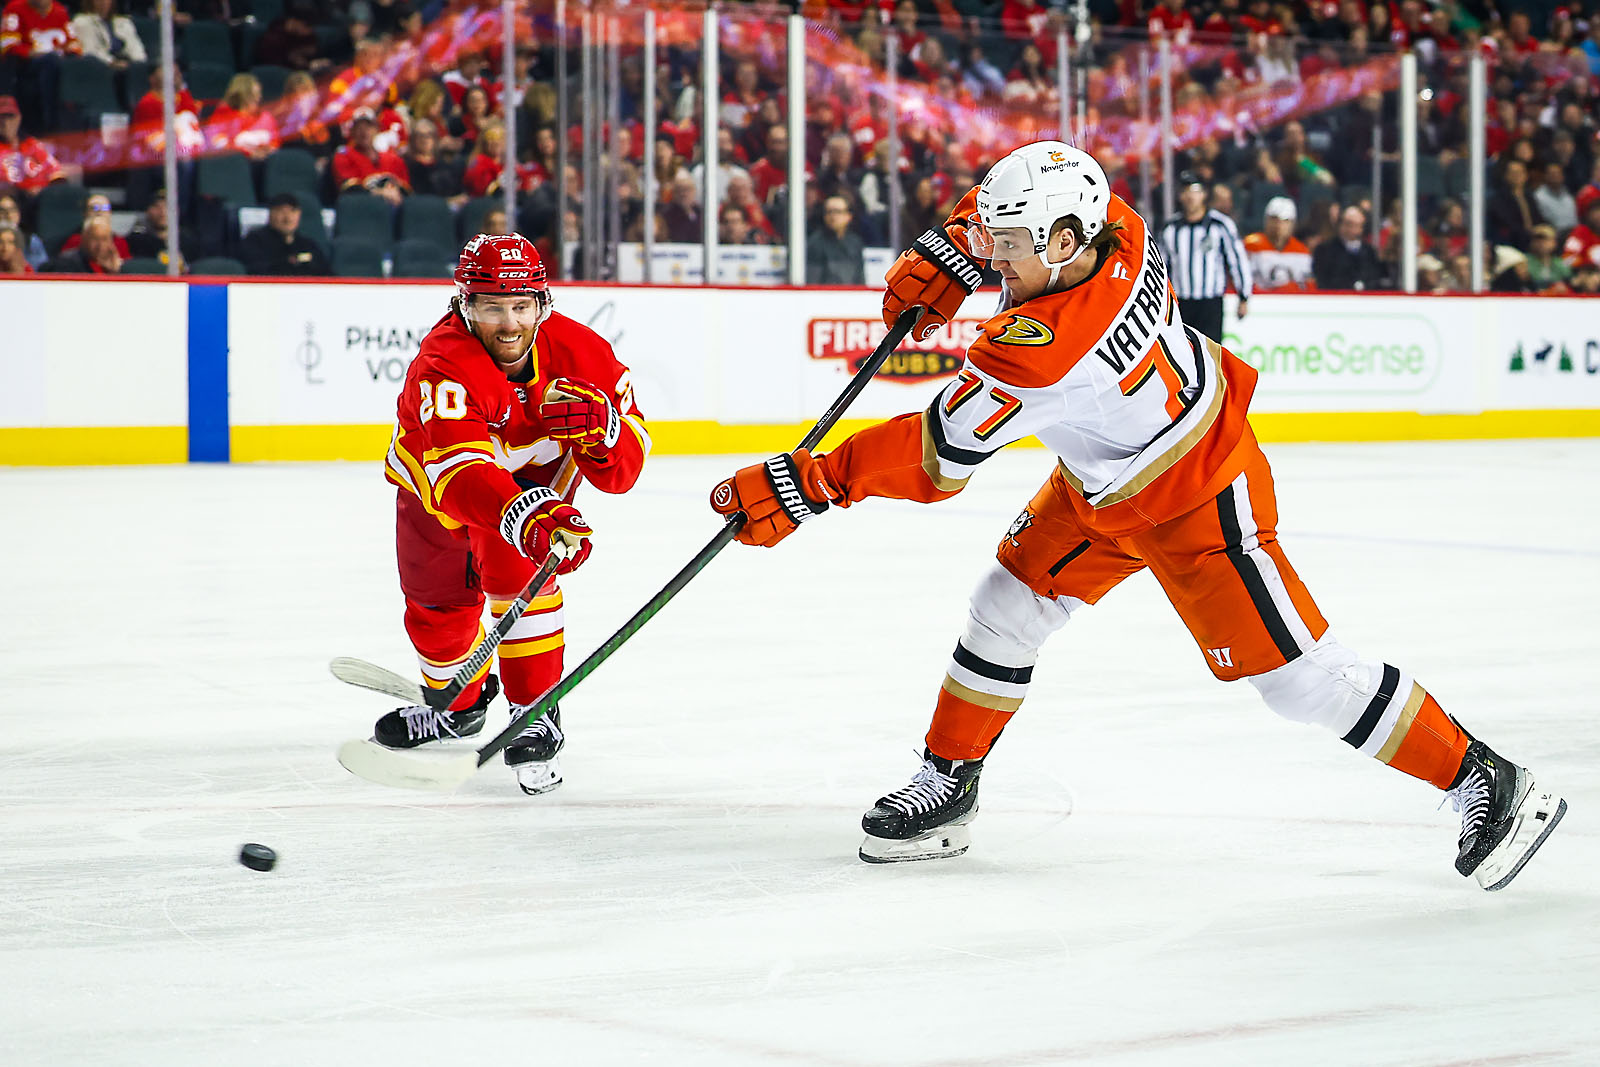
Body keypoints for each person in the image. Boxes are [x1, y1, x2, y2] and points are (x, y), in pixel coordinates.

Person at [708, 140, 1566, 889]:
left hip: (1198, 489)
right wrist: (956, 243)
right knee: (1005, 604)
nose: (996, 262)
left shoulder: (1041, 352)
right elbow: (1033, 187)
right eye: (996, 244)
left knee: (1302, 679)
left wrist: (807, 482)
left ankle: (1485, 778)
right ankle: (949, 783)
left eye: (1009, 249)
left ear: (1064, 244)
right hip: (1104, 480)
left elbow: (937, 460)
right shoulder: (1115, 221)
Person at [373, 233, 649, 795]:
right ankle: (457, 707)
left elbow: (623, 473)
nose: (508, 323)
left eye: (521, 306)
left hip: (529, 496)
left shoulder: (584, 355)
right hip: (438, 497)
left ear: (542, 304)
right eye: (492, 307)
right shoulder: (444, 361)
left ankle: (536, 710)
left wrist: (607, 435)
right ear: (463, 305)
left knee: (521, 588)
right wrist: (527, 514)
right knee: (436, 618)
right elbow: (460, 474)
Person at [1158, 171, 1251, 343]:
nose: (1190, 197)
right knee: (1182, 353)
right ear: (1180, 196)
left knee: (1210, 352)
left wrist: (1243, 295)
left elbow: (1236, 260)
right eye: (1185, 191)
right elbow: (1161, 268)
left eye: (1194, 191)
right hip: (1181, 302)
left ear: (1203, 194)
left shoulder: (1220, 225)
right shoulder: (1171, 229)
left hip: (1210, 302)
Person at [239, 191, 330, 275]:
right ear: (271, 214)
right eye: (281, 211)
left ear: (299, 214)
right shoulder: (255, 241)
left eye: (293, 211)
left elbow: (327, 274)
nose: (287, 218)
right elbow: (256, 271)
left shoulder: (308, 245)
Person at [1243, 195, 1312, 291]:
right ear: (1266, 220)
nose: (1279, 225)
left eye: (1285, 221)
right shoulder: (1250, 245)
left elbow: (1306, 285)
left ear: (1293, 224)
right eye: (1274, 219)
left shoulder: (1302, 251)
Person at [1312, 205, 1385, 290]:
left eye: (1357, 225)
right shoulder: (1324, 250)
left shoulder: (1369, 252)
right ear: (1341, 225)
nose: (1353, 229)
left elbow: (1375, 278)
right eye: (1349, 224)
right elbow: (1322, 280)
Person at [806, 194, 866, 285]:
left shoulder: (855, 243)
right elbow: (813, 281)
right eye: (829, 212)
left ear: (848, 216)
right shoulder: (815, 243)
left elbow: (859, 277)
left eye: (838, 212)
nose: (833, 216)